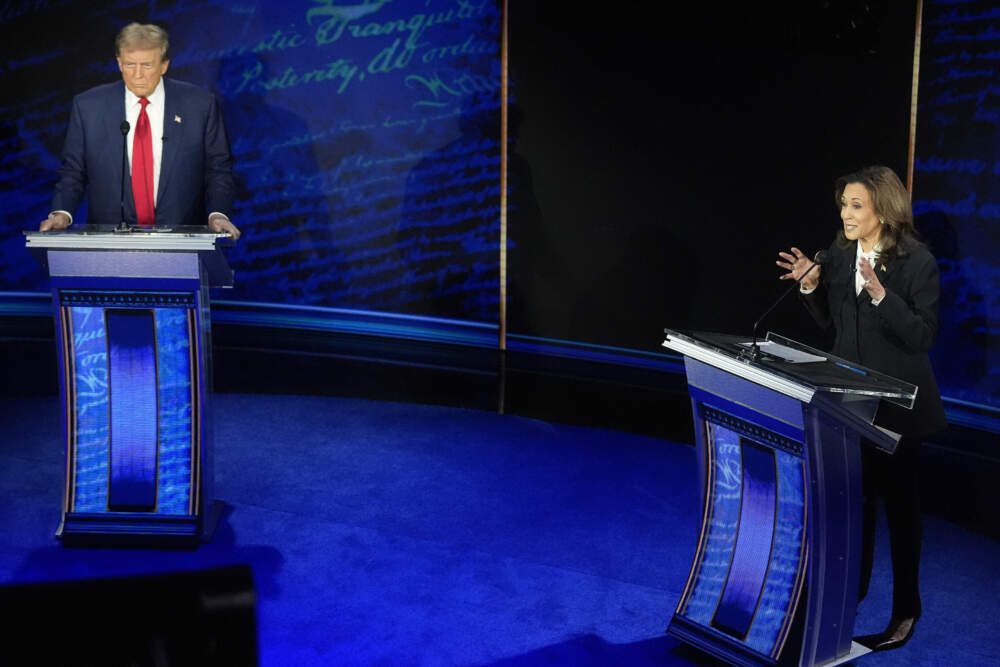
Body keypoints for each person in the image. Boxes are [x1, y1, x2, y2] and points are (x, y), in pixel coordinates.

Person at [776, 165, 945, 652]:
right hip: (849, 404)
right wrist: (810, 284)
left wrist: (880, 294)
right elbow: (835, 325)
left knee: (901, 513)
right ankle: (850, 595)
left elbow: (922, 335)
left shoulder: (917, 263)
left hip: (899, 409)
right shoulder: (840, 253)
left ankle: (906, 611)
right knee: (854, 506)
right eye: (844, 205)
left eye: (856, 205)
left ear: (884, 210)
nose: (846, 214)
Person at [39, 22, 240, 238]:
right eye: (129, 65)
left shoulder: (199, 105)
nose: (137, 75)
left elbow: (218, 168)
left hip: (182, 239)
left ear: (164, 65)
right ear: (118, 63)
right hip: (109, 242)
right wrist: (61, 213)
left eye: (146, 65)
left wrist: (218, 214)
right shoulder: (88, 107)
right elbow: (73, 171)